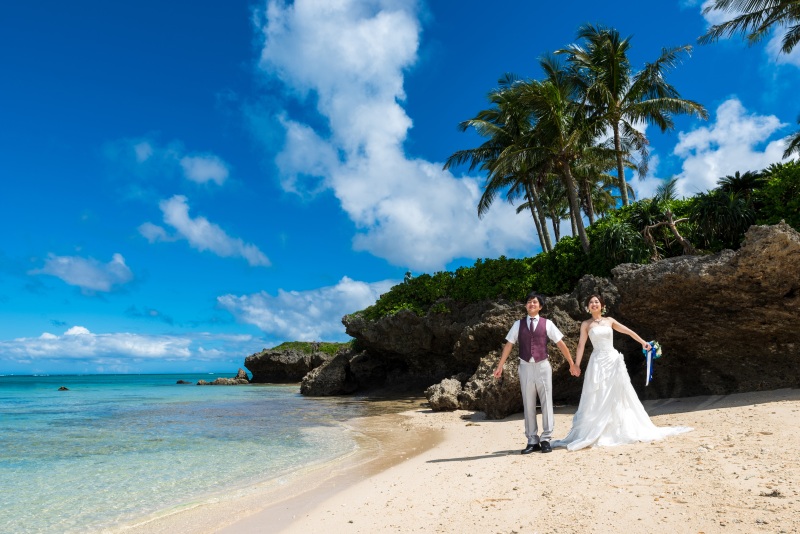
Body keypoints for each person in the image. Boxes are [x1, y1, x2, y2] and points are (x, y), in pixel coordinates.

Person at [552, 294, 691, 450]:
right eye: (591, 302)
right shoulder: (586, 324)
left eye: (596, 302)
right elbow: (581, 346)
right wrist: (576, 365)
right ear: (587, 307)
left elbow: (628, 331)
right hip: (597, 361)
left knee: (618, 393)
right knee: (598, 393)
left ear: (602, 305)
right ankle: (597, 428)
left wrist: (643, 342)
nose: (594, 304)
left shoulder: (610, 321)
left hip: (612, 360)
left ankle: (618, 428)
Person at [493, 292, 580, 454]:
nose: (531, 304)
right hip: (525, 366)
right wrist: (500, 366)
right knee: (528, 403)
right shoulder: (518, 324)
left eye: (534, 302)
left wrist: (571, 363)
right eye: (529, 302)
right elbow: (509, 345)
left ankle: (546, 438)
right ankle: (532, 440)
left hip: (542, 366)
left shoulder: (547, 324)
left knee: (547, 402)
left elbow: (560, 343)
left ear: (540, 306)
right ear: (526, 306)